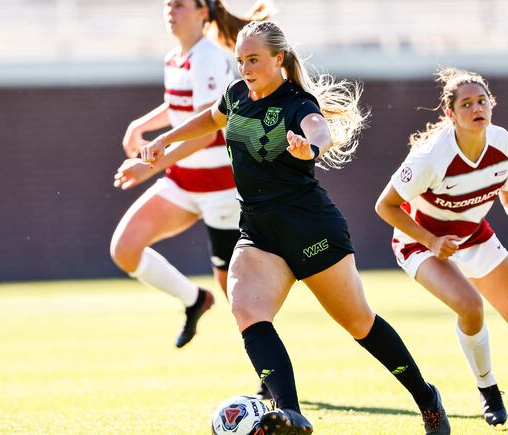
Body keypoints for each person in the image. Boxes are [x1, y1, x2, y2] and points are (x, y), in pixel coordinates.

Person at [140, 20, 450, 435]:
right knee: (247, 310)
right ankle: (290, 414)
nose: (245, 68)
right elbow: (210, 119)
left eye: (254, 60)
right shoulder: (236, 94)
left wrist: (311, 148)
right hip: (258, 230)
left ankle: (427, 399)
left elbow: (319, 130)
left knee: (359, 323)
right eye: (241, 60)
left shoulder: (297, 103)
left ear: (278, 59)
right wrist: (166, 139)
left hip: (309, 227)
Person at [375, 67, 508, 425]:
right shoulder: (430, 156)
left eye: (482, 101)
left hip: (473, 235)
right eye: (466, 104)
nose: (476, 108)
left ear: (492, 104)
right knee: (471, 307)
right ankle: (488, 388)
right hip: (421, 242)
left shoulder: (501, 140)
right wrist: (431, 240)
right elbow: (385, 206)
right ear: (450, 114)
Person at [110, 0, 273, 350]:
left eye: (181, 5)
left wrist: (148, 166)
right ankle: (194, 300)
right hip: (183, 181)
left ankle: (268, 369)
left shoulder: (208, 57)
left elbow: (205, 132)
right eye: (168, 4)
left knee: (237, 296)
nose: (171, 10)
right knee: (125, 249)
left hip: (221, 187)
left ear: (202, 13)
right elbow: (178, 106)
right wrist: (139, 125)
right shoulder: (175, 57)